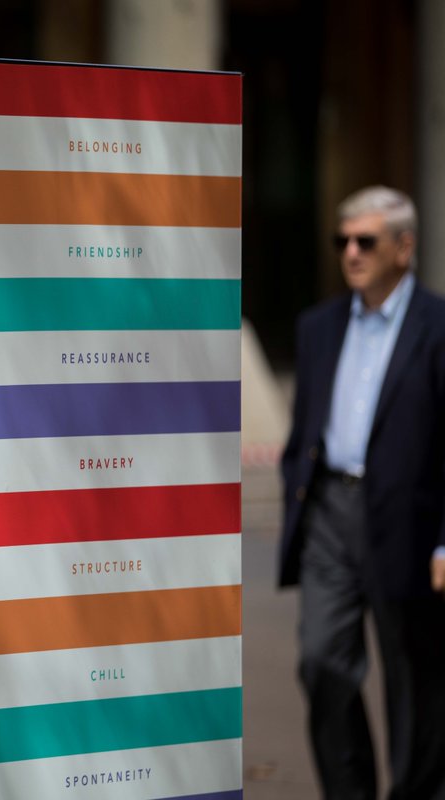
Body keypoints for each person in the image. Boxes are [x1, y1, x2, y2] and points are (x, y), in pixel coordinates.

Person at [279, 185, 445, 799]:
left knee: (416, 680)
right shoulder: (317, 326)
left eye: (365, 240)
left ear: (404, 247)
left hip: (410, 520)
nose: (351, 251)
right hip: (330, 512)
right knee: (320, 660)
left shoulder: (438, 326)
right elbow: (304, 429)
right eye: (342, 239)